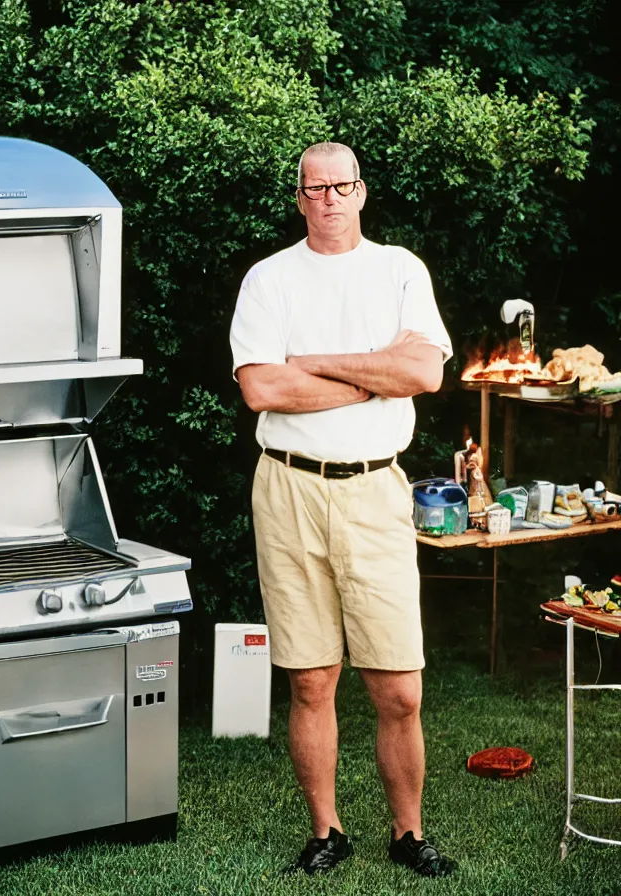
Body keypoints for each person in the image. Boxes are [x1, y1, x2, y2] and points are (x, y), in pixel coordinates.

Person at [230, 142, 455, 879]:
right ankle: (327, 831)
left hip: (373, 491)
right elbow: (263, 390)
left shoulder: (399, 270)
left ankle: (407, 834)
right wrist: (372, 372)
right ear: (298, 198)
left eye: (342, 185)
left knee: (398, 687)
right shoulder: (269, 279)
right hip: (289, 489)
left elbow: (422, 369)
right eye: (314, 187)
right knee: (310, 679)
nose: (328, 197)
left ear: (362, 192)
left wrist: (314, 362)